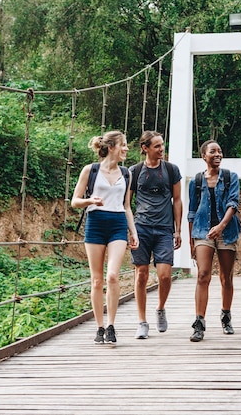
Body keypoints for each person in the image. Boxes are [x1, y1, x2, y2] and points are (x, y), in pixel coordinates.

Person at [71, 130, 139, 346]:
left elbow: (127, 206)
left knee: (112, 276)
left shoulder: (127, 173)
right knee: (97, 279)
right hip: (95, 224)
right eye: (124, 145)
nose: (127, 149)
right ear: (112, 147)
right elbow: (75, 201)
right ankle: (99, 327)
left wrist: (133, 232)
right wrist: (90, 200)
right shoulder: (90, 170)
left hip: (118, 223)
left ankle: (111, 325)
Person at [129, 131, 183, 339]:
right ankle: (142, 321)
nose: (162, 149)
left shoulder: (171, 170)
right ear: (145, 148)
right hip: (141, 227)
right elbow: (127, 202)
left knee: (165, 275)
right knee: (141, 274)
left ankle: (160, 308)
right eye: (157, 146)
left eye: (162, 145)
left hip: (163, 228)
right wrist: (129, 229)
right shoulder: (134, 171)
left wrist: (178, 229)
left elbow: (177, 200)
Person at [187, 140, 241, 342]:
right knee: (202, 275)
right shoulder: (196, 181)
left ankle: (226, 316)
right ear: (204, 156)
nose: (217, 154)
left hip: (226, 232)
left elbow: (233, 203)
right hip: (202, 232)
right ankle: (199, 323)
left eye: (219, 150)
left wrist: (221, 226)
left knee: (226, 277)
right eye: (213, 151)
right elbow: (191, 213)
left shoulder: (230, 177)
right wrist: (192, 241)